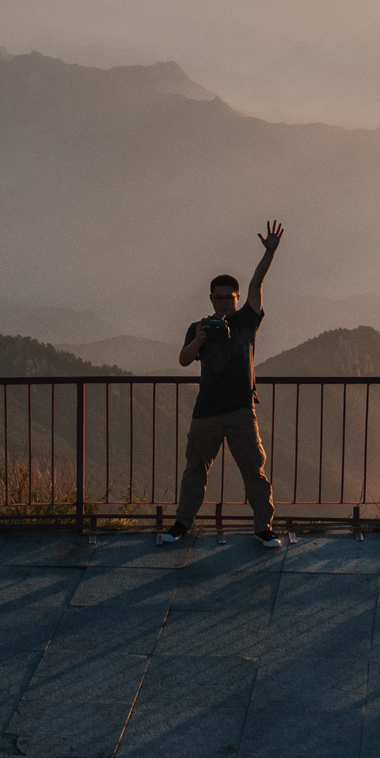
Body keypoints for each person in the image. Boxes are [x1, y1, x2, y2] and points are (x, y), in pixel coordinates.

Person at [160, 221, 284, 549]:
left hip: (242, 410)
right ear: (211, 299)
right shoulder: (198, 327)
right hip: (207, 412)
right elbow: (185, 360)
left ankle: (263, 528)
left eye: (229, 297)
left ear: (238, 298)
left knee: (254, 471)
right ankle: (181, 524)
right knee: (195, 470)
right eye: (219, 298)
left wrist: (269, 252)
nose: (224, 302)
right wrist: (198, 338)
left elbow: (258, 282)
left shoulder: (247, 320)